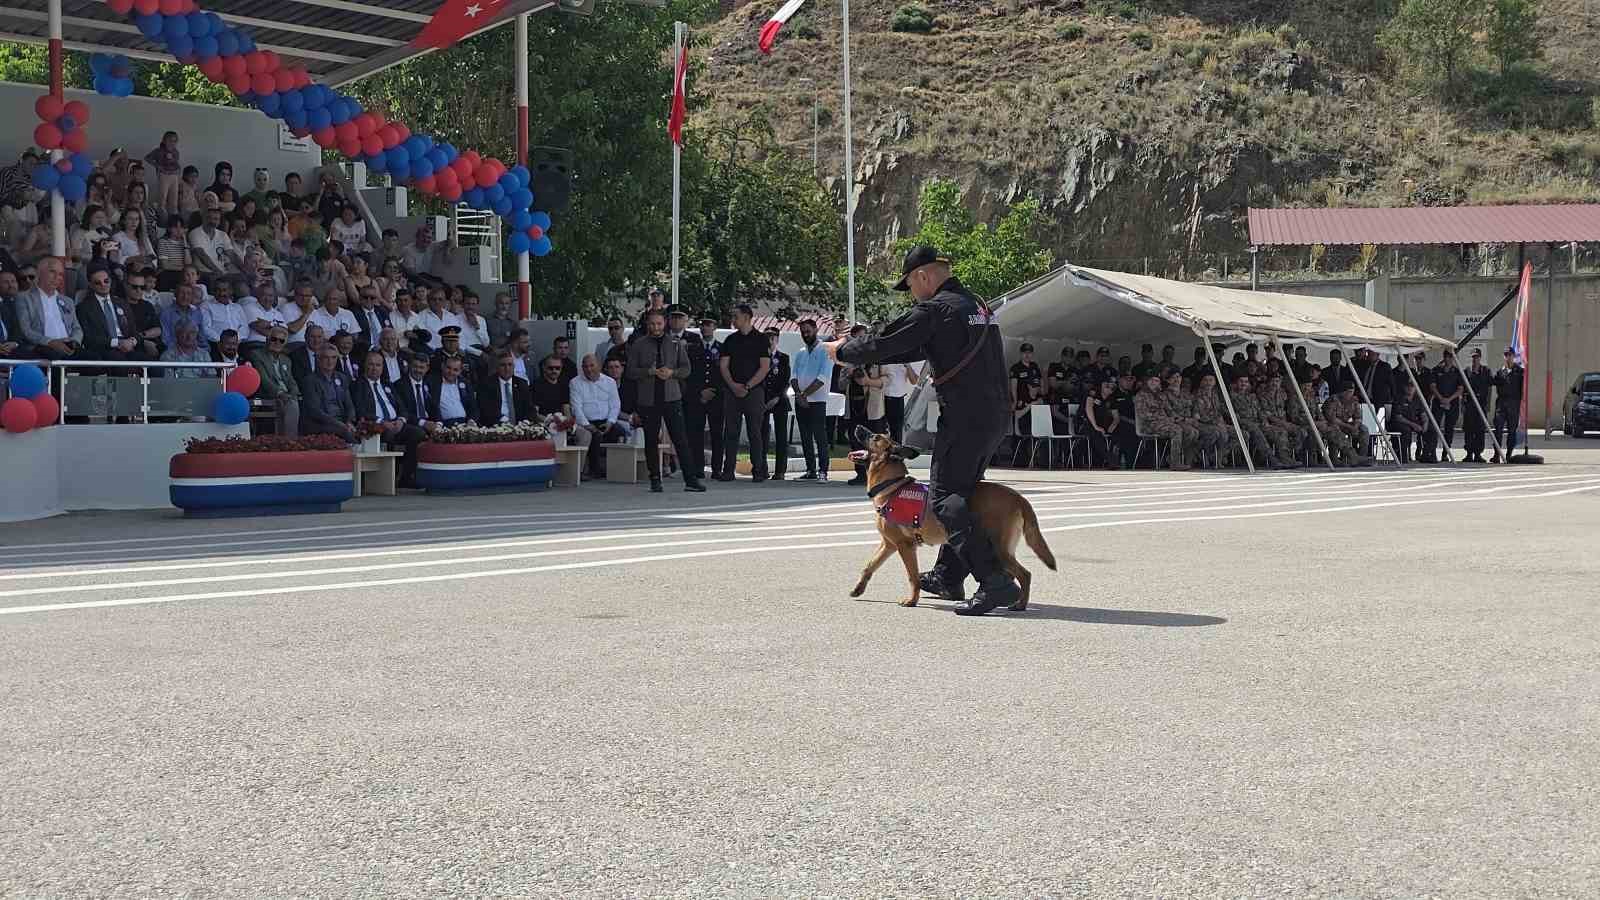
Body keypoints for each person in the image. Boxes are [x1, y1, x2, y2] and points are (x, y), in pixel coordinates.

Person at [825, 245, 1019, 615]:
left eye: (910, 286)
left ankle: (995, 582)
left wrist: (845, 350)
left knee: (945, 498)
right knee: (963, 493)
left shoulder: (937, 310)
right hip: (992, 414)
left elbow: (891, 339)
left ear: (923, 277)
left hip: (965, 416)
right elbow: (908, 348)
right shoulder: (977, 305)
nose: (912, 294)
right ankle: (948, 574)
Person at [625, 308, 703, 492]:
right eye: (652, 324)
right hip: (648, 399)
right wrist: (649, 371)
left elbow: (686, 369)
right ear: (647, 324)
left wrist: (672, 373)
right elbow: (630, 372)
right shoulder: (639, 344)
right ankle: (655, 479)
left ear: (665, 323)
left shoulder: (675, 343)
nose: (655, 327)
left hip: (671, 397)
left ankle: (690, 480)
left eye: (659, 323)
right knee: (651, 440)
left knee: (680, 439)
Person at [716, 304, 771, 482]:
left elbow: (764, 368)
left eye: (736, 316)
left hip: (754, 391)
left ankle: (758, 470)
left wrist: (747, 386)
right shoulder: (730, 340)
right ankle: (728, 470)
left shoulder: (761, 339)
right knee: (731, 431)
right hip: (732, 392)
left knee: (755, 432)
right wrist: (733, 385)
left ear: (747, 317)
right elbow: (723, 365)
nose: (733, 320)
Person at [17, 257, 86, 368]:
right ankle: (56, 386)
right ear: (40, 273)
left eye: (60, 274)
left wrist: (73, 342)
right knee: (54, 359)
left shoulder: (67, 301)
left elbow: (77, 328)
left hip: (67, 346)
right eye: (52, 272)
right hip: (42, 346)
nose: (57, 277)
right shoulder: (24, 298)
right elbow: (26, 330)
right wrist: (50, 342)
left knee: (94, 358)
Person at [570, 353, 627, 479]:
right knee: (595, 435)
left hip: (606, 421)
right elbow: (576, 408)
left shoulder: (610, 382)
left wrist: (610, 422)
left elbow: (615, 405)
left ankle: (618, 468)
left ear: (599, 366)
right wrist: (587, 425)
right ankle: (595, 470)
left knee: (620, 432)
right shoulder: (575, 383)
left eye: (592, 365)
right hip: (586, 423)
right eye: (585, 366)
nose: (589, 369)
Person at [791, 318, 834, 480]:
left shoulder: (826, 350)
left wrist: (805, 394)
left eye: (808, 331)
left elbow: (822, 377)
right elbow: (793, 376)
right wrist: (799, 394)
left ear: (816, 330)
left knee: (819, 436)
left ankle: (823, 470)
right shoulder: (801, 353)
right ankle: (810, 470)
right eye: (803, 332)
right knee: (805, 436)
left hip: (817, 401)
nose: (805, 334)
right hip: (800, 400)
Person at [669, 308, 708, 484]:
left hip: (691, 392)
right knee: (673, 431)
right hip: (670, 390)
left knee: (695, 431)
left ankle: (697, 468)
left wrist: (700, 391)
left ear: (686, 320)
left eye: (680, 318)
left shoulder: (694, 339)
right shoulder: (663, 338)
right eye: (673, 318)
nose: (676, 321)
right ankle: (672, 466)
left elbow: (700, 367)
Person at [76, 265, 144, 363]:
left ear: (111, 281)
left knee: (155, 367)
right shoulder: (84, 307)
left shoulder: (122, 303)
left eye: (106, 281)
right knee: (119, 362)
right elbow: (88, 339)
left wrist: (132, 342)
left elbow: (134, 331)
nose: (103, 285)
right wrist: (117, 343)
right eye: (97, 283)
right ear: (90, 285)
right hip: (105, 349)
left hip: (128, 347)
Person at [300, 344, 358, 441]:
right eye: (326, 358)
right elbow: (316, 412)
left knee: (365, 431)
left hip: (342, 422)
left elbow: (349, 405)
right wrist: (341, 425)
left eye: (333, 357)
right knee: (346, 433)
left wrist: (349, 421)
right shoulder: (310, 380)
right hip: (320, 424)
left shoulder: (342, 378)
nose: (330, 361)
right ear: (318, 359)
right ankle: (356, 454)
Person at [251, 325, 300, 437]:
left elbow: (291, 381)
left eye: (281, 340)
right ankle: (290, 440)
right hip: (268, 394)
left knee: (293, 401)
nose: (277, 342)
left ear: (284, 344)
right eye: (274, 339)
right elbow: (264, 380)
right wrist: (280, 393)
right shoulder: (257, 355)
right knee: (291, 403)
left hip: (286, 396)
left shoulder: (286, 360)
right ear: (267, 340)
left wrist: (293, 392)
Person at [1132, 372, 1189, 469]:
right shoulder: (1141, 395)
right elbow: (1144, 415)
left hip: (1163, 423)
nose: (1155, 383)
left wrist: (1178, 418)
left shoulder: (1160, 395)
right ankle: (1174, 462)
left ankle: (1174, 458)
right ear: (1147, 382)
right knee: (1176, 430)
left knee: (1187, 429)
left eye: (1157, 381)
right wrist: (1165, 418)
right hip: (1148, 426)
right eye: (1153, 380)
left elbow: (1168, 411)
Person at [761, 326, 792, 480]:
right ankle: (762, 468)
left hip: (779, 400)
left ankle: (780, 470)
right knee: (762, 435)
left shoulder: (783, 357)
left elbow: (786, 380)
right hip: (763, 400)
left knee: (781, 436)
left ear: (777, 340)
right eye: (767, 338)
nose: (770, 341)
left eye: (773, 338)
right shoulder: (759, 357)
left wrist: (777, 397)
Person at [697, 317, 725, 477]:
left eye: (708, 324)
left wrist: (713, 391)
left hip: (716, 397)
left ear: (714, 327)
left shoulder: (721, 348)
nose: (705, 328)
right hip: (699, 396)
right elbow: (692, 373)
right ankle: (698, 467)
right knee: (697, 433)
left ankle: (716, 468)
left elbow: (724, 373)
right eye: (703, 325)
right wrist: (700, 392)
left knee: (717, 434)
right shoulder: (694, 347)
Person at [476, 350, 535, 426]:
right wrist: (502, 420)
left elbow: (530, 409)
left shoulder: (522, 384)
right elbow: (485, 410)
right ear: (497, 367)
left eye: (510, 365)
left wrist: (526, 422)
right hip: (496, 425)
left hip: (520, 426)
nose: (507, 368)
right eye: (503, 365)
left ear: (514, 366)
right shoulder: (486, 384)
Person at [1323, 381, 1370, 465]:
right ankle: (1334, 459)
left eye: (1352, 392)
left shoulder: (1354, 400)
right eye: (1349, 392)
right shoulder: (1333, 400)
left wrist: (1355, 426)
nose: (1351, 394)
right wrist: (1349, 426)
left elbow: (1358, 417)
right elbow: (1332, 419)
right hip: (1334, 424)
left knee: (1364, 429)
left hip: (1345, 425)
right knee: (1334, 428)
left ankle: (1361, 457)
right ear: (1342, 392)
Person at [1492, 347, 1525, 462]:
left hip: (1513, 404)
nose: (1508, 357)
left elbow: (1523, 389)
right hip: (1501, 404)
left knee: (1512, 431)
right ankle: (1496, 454)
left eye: (1510, 355)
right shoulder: (1500, 372)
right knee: (1498, 429)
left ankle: (1509, 454)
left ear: (1514, 356)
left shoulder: (1520, 372)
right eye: (1506, 355)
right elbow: (1492, 382)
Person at [1431, 350, 1464, 459]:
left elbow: (1460, 389)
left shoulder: (1457, 372)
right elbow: (1433, 386)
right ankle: (1433, 452)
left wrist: (1449, 399)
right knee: (1435, 427)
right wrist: (1441, 398)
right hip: (1438, 401)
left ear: (1453, 358)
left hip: (1452, 403)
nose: (1448, 359)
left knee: (1449, 428)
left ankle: (1445, 453)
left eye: (1450, 357)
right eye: (1446, 356)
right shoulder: (1436, 370)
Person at [1462, 347, 1493, 463]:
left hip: (1481, 405)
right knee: (1469, 429)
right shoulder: (1467, 371)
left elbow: (1490, 387)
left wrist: (1488, 405)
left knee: (1480, 430)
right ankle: (1469, 453)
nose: (1475, 359)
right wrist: (1463, 405)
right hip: (1470, 405)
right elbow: (1462, 388)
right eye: (1473, 357)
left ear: (1480, 358)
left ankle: (1478, 454)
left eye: (1477, 357)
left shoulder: (1486, 371)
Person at [1390, 381, 1429, 463]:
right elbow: (1398, 417)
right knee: (1406, 430)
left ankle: (1428, 455)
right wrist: (1414, 425)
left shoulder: (1417, 399)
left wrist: (1425, 423)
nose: (1410, 388)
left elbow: (1423, 414)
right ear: (1404, 388)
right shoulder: (1399, 399)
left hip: (1414, 423)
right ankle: (1403, 457)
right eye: (1408, 386)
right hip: (1401, 423)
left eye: (1412, 386)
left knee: (1432, 429)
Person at [144, 131, 182, 213]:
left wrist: (178, 169)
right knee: (162, 198)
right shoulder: (158, 151)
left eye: (175, 141)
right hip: (164, 175)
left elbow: (176, 163)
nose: (172, 143)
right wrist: (157, 166)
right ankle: (161, 216)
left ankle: (173, 216)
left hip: (174, 176)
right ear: (164, 141)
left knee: (174, 198)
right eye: (170, 141)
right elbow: (147, 158)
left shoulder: (176, 152)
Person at [531, 354, 571, 419]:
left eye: (557, 368)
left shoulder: (564, 385)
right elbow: (534, 413)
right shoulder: (536, 385)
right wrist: (551, 421)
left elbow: (566, 409)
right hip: (542, 423)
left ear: (561, 368)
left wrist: (568, 423)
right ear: (544, 368)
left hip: (561, 423)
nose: (554, 371)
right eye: (550, 368)